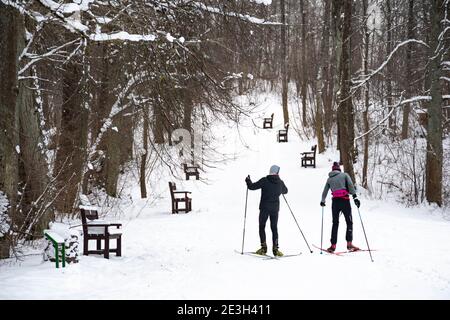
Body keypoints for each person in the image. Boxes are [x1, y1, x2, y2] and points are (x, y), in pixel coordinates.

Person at [245, 165, 288, 257]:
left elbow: (252, 187)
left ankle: (263, 248)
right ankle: (275, 249)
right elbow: (286, 191)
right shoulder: (280, 182)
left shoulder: (264, 180)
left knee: (262, 227)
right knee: (274, 228)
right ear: (277, 173)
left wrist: (248, 181)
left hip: (264, 208)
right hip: (275, 209)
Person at [320, 162, 361, 253]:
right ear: (339, 169)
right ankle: (349, 244)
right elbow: (350, 186)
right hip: (345, 201)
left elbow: (325, 192)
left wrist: (323, 201)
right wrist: (355, 198)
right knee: (349, 222)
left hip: (335, 203)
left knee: (335, 223)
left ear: (332, 169)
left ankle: (333, 245)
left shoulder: (329, 179)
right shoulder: (344, 175)